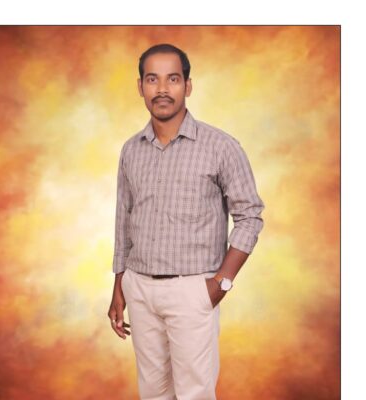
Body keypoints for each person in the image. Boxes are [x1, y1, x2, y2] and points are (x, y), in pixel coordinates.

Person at [108, 43, 265, 400]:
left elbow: (250, 216)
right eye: (153, 79)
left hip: (193, 290)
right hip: (139, 288)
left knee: (194, 393)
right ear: (140, 87)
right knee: (153, 392)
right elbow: (124, 219)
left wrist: (220, 284)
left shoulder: (221, 146)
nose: (162, 89)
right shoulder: (131, 150)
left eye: (173, 79)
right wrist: (119, 285)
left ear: (188, 86)